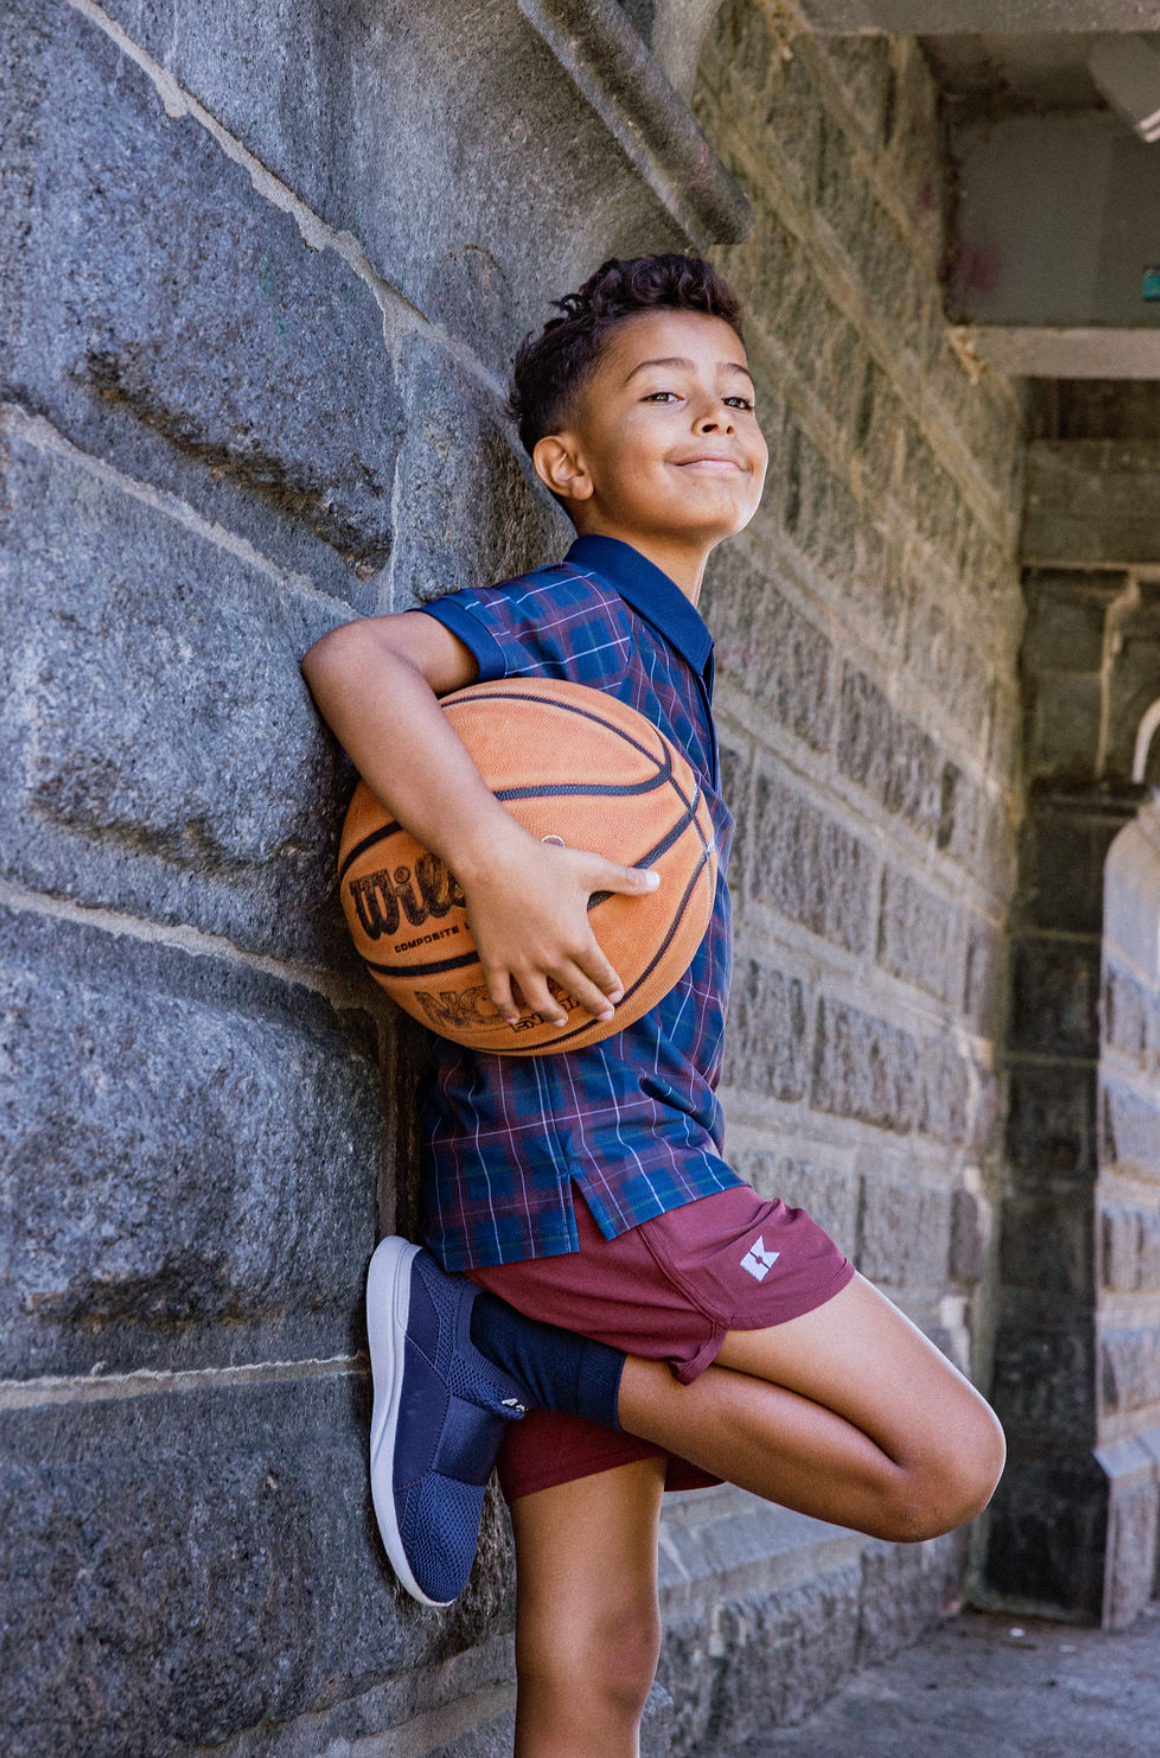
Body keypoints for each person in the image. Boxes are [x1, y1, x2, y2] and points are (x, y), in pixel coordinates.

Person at [301, 254, 1005, 1758]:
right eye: (663, 394)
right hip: (599, 1178)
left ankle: (512, 1344)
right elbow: (362, 658)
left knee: (597, 1658)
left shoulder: (672, 661)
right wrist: (487, 853)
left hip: (569, 1179)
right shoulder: (588, 625)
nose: (716, 418)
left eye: (737, 399)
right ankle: (508, 1347)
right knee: (943, 1459)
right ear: (569, 464)